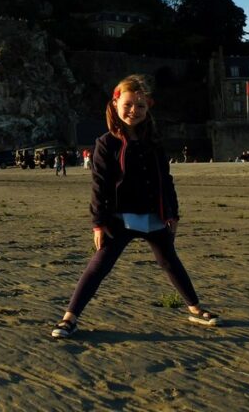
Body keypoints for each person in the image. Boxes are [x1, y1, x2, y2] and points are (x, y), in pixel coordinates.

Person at [52, 74, 220, 339]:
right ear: (116, 104)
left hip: (154, 215)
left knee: (170, 262)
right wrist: (98, 223)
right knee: (99, 265)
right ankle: (69, 318)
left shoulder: (154, 141)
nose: (134, 111)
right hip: (119, 218)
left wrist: (173, 213)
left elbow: (165, 179)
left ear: (148, 108)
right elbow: (100, 186)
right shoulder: (106, 143)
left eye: (140, 106)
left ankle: (196, 309)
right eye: (128, 105)